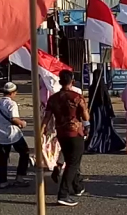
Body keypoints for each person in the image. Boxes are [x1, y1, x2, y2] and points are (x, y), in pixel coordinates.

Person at [42, 71, 89, 207]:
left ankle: (77, 186)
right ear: (72, 81)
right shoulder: (77, 97)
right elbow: (86, 117)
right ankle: (63, 194)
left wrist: (41, 130)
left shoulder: (54, 98)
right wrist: (87, 126)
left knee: (69, 160)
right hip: (75, 132)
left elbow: (47, 117)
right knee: (73, 163)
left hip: (61, 132)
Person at [0, 82, 29, 189]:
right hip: (13, 134)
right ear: (13, 92)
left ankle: (2, 181)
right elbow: (14, 118)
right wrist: (22, 123)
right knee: (25, 153)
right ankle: (19, 178)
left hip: (2, 134)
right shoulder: (12, 104)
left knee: (3, 158)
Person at [86, 68, 125, 153]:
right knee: (105, 128)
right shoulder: (103, 87)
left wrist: (89, 109)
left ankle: (93, 144)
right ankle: (106, 145)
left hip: (95, 111)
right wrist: (111, 111)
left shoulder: (92, 87)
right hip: (103, 110)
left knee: (95, 128)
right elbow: (108, 100)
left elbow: (90, 100)